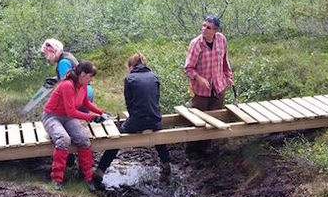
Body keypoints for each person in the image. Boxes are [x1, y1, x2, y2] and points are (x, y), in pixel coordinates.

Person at [93, 53, 171, 184]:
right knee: (158, 136)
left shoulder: (129, 79)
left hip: (137, 121)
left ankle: (100, 170)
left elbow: (129, 103)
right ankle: (166, 164)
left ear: (131, 66)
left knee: (117, 139)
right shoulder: (154, 76)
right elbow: (156, 100)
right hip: (156, 120)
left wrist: (135, 121)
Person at [42, 61, 106, 190]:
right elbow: (71, 111)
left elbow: (86, 103)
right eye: (90, 76)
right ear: (83, 74)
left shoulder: (82, 85)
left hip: (68, 118)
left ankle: (87, 177)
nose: (91, 79)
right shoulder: (67, 85)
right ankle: (57, 179)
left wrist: (101, 112)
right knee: (63, 139)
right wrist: (92, 117)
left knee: (83, 140)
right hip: (52, 116)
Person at [183, 14, 233, 154]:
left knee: (214, 119)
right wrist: (199, 78)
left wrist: (228, 76)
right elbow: (188, 68)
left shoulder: (221, 40)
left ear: (215, 31)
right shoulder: (196, 44)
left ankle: (208, 150)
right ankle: (192, 151)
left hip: (218, 87)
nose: (204, 29)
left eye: (208, 27)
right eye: (203, 26)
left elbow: (225, 60)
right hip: (200, 91)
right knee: (197, 121)